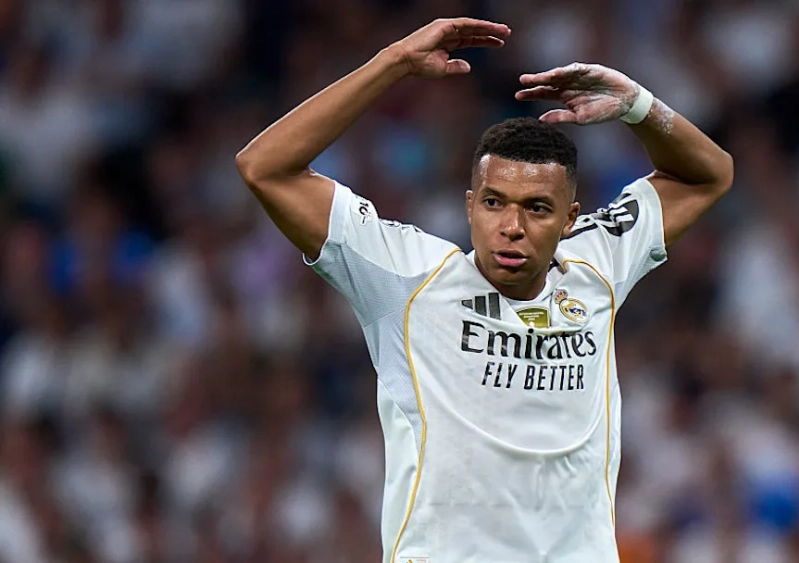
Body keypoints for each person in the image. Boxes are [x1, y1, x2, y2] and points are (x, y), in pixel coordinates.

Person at [235, 16, 733, 563]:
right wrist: (393, 63)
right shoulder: (406, 277)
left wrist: (639, 105)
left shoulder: (595, 260)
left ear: (570, 218)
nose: (511, 226)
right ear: (470, 204)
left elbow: (708, 174)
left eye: (537, 209)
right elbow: (265, 167)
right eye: (494, 202)